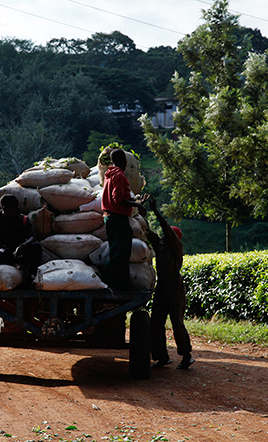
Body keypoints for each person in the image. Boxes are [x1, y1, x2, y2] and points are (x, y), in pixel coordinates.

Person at [146, 196, 194, 370]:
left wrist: (155, 211)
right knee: (156, 322)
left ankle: (186, 355)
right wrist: (142, 214)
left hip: (175, 288)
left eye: (166, 235)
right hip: (162, 288)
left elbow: (165, 228)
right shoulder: (161, 246)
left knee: (177, 322)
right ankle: (161, 356)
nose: (162, 237)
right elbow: (149, 234)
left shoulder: (176, 247)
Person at [100, 149, 147, 290]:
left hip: (111, 218)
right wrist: (136, 205)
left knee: (119, 252)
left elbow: (119, 197)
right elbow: (119, 199)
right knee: (121, 253)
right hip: (118, 218)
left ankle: (121, 283)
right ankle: (106, 280)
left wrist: (135, 201)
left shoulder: (109, 175)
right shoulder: (119, 176)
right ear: (124, 162)